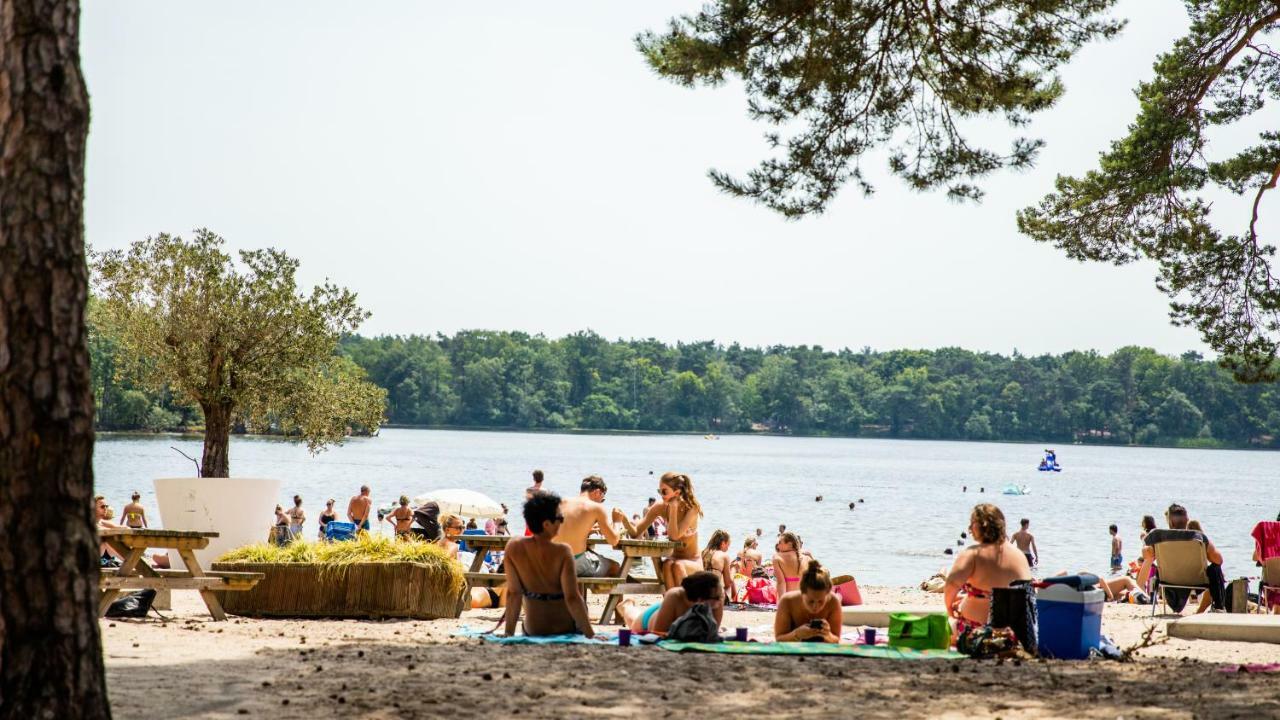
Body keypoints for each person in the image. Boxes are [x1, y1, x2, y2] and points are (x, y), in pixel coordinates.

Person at [501, 491, 595, 638]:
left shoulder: (513, 547)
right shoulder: (563, 552)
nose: (562, 522)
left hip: (534, 629)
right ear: (546, 524)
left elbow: (514, 593)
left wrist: (508, 633)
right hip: (565, 628)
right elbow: (572, 597)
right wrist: (591, 634)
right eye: (559, 518)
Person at [944, 504, 1033, 635]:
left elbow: (951, 585)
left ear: (980, 526)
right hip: (1016, 632)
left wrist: (949, 608)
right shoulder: (1020, 555)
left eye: (972, 523)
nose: (969, 528)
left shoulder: (973, 553)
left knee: (947, 625)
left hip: (979, 632)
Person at [616, 472, 703, 588]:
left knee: (677, 566)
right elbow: (636, 532)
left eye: (664, 491)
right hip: (674, 558)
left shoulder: (691, 508)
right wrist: (624, 519)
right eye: (659, 491)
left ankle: (684, 603)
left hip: (692, 561)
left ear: (677, 492)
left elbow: (673, 537)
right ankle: (672, 602)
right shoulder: (660, 507)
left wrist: (673, 508)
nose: (661, 495)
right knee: (667, 564)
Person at [1139, 503, 1225, 613]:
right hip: (1197, 580)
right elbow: (1219, 560)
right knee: (1215, 568)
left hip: (1168, 580)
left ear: (1169, 522)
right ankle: (1218, 607)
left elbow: (1146, 554)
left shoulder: (1157, 536)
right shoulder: (1198, 537)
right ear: (1187, 520)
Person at [553, 475, 622, 578]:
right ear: (597, 492)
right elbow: (613, 541)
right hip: (574, 563)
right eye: (602, 499)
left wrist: (587, 531)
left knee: (588, 556)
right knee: (615, 567)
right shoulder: (596, 507)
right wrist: (617, 521)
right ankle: (613, 594)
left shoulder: (561, 502)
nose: (601, 502)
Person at [618, 570, 724, 636]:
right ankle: (627, 605)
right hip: (652, 619)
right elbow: (657, 632)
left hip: (666, 611)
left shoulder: (716, 599)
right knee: (633, 621)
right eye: (718, 597)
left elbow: (712, 632)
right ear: (701, 600)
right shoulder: (675, 595)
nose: (720, 601)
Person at [774, 559, 842, 643]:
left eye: (821, 601)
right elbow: (779, 638)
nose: (815, 606)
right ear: (802, 592)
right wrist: (797, 634)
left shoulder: (833, 601)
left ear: (827, 594)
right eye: (811, 601)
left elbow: (836, 640)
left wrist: (827, 635)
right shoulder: (787, 601)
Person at [702, 530, 739, 603]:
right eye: (728, 545)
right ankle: (734, 600)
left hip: (700, 594)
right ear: (723, 543)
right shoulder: (724, 556)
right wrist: (734, 569)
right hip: (713, 596)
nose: (728, 548)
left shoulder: (703, 553)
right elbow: (728, 584)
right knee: (731, 582)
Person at [772, 531, 809, 599]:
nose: (778, 545)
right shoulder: (807, 558)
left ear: (789, 544)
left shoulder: (777, 558)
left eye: (780, 543)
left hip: (788, 599)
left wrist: (782, 603)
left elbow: (781, 583)